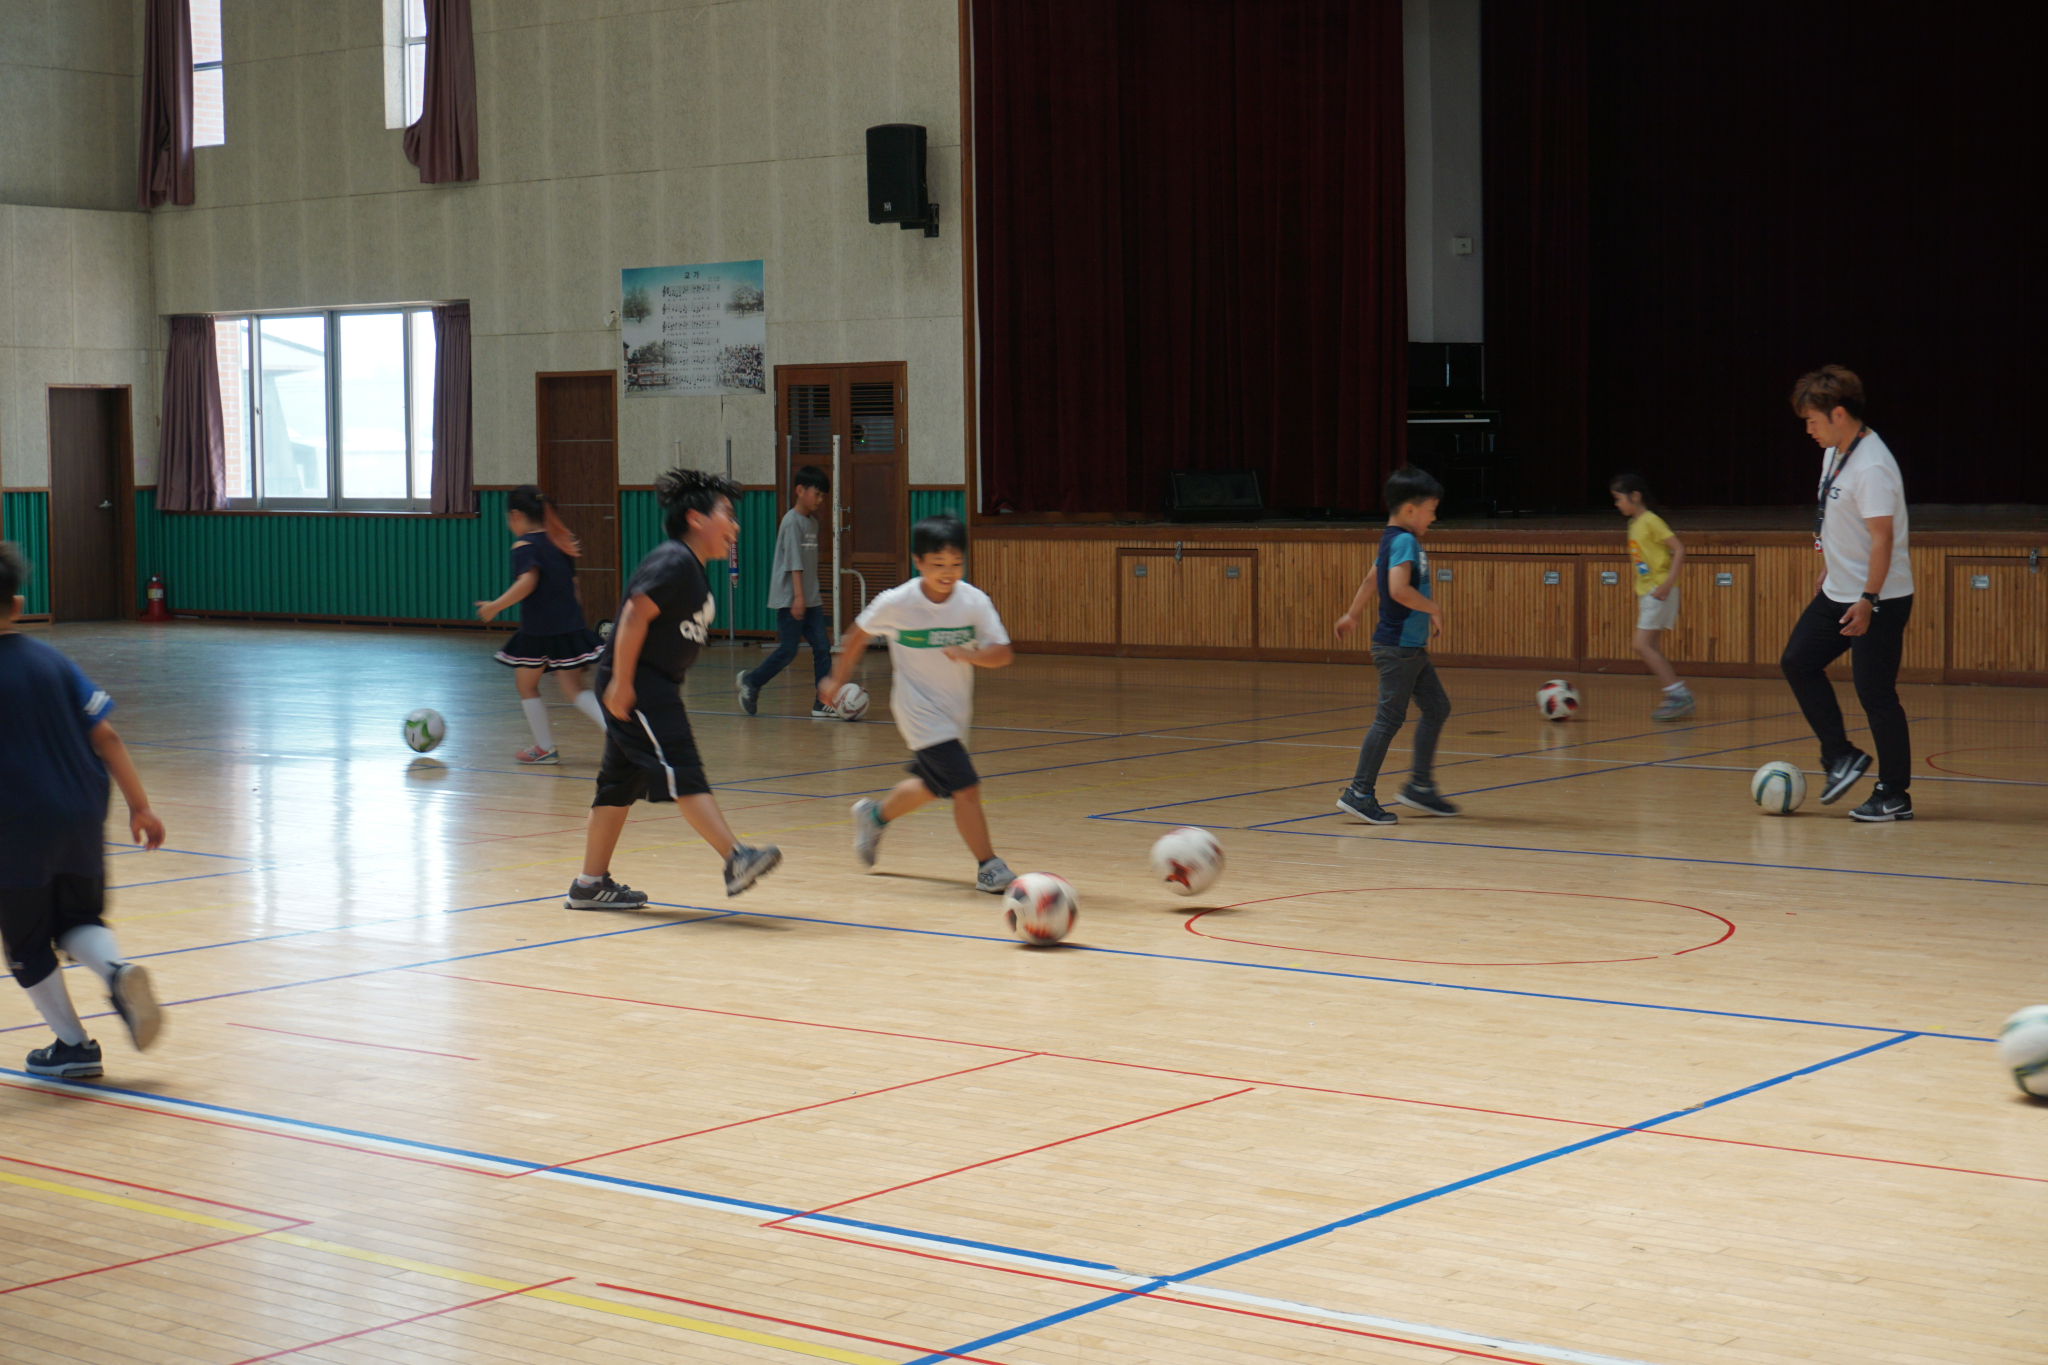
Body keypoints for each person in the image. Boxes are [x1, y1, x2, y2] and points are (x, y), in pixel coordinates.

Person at [568, 469, 782, 906]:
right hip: (642, 684)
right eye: (727, 514)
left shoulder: (692, 569)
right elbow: (632, 615)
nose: (735, 526)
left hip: (650, 683)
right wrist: (624, 683)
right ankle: (735, 856)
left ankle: (589, 885)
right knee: (681, 766)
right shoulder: (675, 561)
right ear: (696, 519)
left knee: (616, 785)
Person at [0, 542, 165, 1079]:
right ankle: (116, 971)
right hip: (81, 816)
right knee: (76, 918)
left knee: (26, 942)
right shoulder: (52, 660)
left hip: (17, 827)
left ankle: (73, 1047)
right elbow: (108, 734)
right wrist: (140, 807)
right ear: (18, 604)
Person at [822, 516, 1017, 894]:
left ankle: (874, 816)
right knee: (966, 787)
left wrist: (969, 654)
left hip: (955, 713)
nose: (948, 573)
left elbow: (1003, 653)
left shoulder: (974, 602)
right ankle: (988, 866)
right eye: (938, 564)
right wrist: (837, 677)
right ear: (918, 561)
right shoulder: (898, 602)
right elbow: (857, 634)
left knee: (933, 784)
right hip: (918, 712)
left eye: (956, 564)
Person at [1780, 365, 1915, 821]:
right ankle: (1840, 756)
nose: (1808, 429)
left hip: (1879, 599)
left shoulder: (1872, 464)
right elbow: (1836, 518)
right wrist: (1829, 565)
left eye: (1812, 420)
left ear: (1838, 414)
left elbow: (1882, 538)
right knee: (1798, 661)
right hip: (1840, 590)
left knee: (1875, 693)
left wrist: (1869, 600)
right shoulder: (1836, 451)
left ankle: (1894, 792)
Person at [1333, 466, 1456, 824]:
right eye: (1431, 510)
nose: (1434, 517)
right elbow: (1398, 589)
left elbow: (1372, 579)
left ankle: (1419, 785)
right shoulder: (1404, 541)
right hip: (1399, 649)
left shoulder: (1391, 538)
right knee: (1388, 719)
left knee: (1437, 708)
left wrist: (1351, 614)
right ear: (1410, 510)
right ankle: (1359, 792)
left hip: (1410, 649)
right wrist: (1434, 607)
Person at [477, 486, 607, 763]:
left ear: (515, 515)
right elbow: (575, 588)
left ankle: (545, 747)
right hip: (567, 625)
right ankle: (619, 735)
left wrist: (495, 606)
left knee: (526, 685)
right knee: (575, 689)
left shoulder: (524, 546)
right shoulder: (559, 541)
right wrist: (574, 625)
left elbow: (528, 582)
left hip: (540, 631)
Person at [738, 465, 833, 719]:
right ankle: (752, 682)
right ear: (800, 491)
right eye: (818, 494)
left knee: (823, 648)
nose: (821, 500)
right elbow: (794, 563)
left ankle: (822, 702)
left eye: (824, 496)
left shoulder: (812, 523)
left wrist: (810, 595)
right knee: (788, 651)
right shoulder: (791, 522)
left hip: (810, 599)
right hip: (793, 599)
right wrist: (798, 597)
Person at [1609, 473, 1695, 719]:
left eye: (1619, 499)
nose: (1617, 504)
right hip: (1649, 591)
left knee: (1641, 644)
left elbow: (1679, 549)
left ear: (1635, 497)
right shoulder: (1633, 524)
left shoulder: (1650, 521)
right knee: (1651, 645)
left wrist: (1668, 583)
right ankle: (1675, 694)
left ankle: (1678, 694)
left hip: (1659, 591)